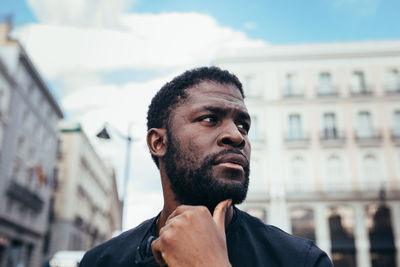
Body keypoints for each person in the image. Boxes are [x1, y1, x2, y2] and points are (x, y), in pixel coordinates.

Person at [79, 66, 333, 267]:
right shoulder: (102, 261)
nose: (237, 135)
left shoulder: (301, 260)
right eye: (210, 119)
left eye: (243, 125)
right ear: (158, 142)